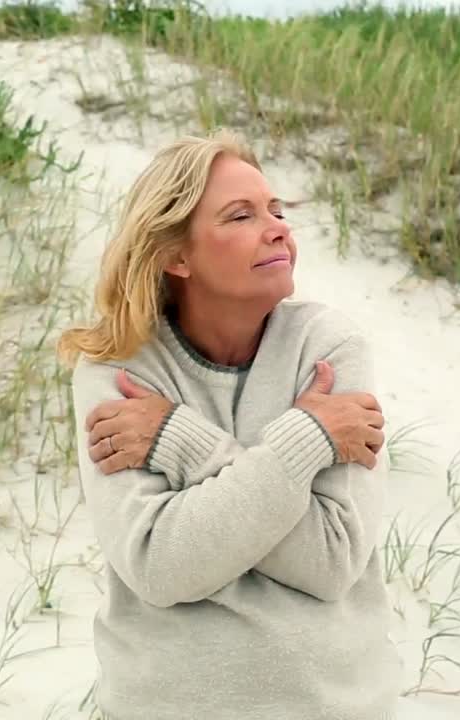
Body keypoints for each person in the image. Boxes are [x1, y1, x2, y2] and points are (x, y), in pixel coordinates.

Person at [57, 129, 402, 720]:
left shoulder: (329, 348)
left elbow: (331, 559)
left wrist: (183, 442)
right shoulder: (117, 368)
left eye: (276, 210)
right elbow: (160, 566)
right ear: (176, 254)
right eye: (241, 215)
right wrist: (306, 442)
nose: (277, 229)